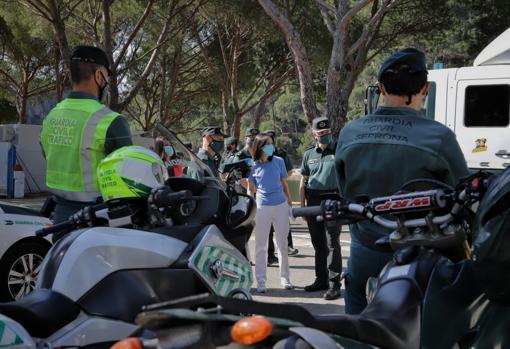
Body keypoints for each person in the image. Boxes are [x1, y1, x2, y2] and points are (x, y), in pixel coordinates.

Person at [335, 48, 469, 314]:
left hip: (365, 254)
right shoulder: (439, 136)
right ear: (425, 88)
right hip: (424, 260)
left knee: (357, 330)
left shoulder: (350, 133)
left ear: (381, 88)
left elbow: (344, 194)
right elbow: (464, 196)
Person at [40, 45, 132, 235]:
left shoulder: (51, 117)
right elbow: (128, 174)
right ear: (99, 76)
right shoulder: (112, 121)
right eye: (106, 76)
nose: (106, 83)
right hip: (96, 222)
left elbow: (47, 153)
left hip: (59, 221)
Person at [300, 117, 342, 300]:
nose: (325, 136)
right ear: (314, 135)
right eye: (321, 133)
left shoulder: (339, 150)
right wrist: (302, 206)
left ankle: (334, 284)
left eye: (327, 132)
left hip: (333, 198)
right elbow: (303, 181)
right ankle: (321, 279)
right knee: (318, 244)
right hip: (313, 200)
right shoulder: (309, 154)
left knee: (332, 243)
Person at [248, 134, 294, 293]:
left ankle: (285, 278)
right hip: (262, 208)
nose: (271, 147)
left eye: (272, 144)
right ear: (260, 146)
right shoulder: (253, 166)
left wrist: (289, 202)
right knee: (261, 246)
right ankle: (261, 282)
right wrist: (250, 206)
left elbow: (284, 183)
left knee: (282, 244)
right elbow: (250, 188)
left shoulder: (279, 161)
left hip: (280, 206)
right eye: (268, 144)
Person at [263, 129, 299, 266]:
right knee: (274, 225)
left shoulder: (278, 154)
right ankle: (273, 252)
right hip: (270, 193)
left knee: (279, 224)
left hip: (276, 191)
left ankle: (283, 249)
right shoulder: (264, 155)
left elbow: (288, 172)